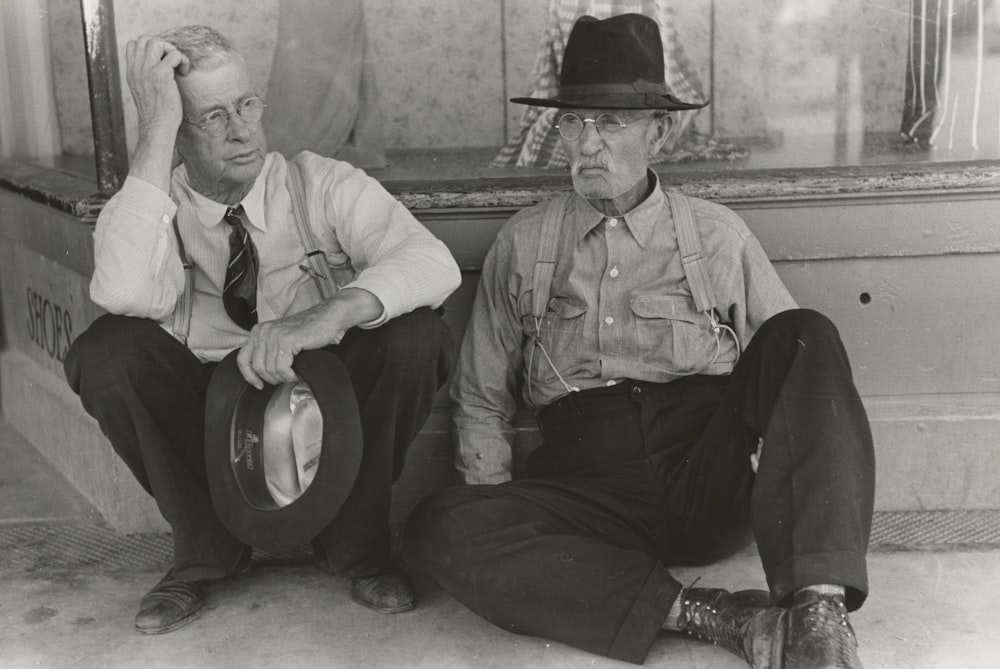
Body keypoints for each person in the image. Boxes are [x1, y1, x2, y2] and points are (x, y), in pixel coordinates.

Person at [404, 13, 873, 669]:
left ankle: (817, 615)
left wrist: (775, 485)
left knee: (806, 336)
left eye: (611, 123)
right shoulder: (524, 243)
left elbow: (796, 381)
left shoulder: (716, 235)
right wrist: (508, 532)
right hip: (591, 499)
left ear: (659, 131)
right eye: (573, 121)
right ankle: (714, 613)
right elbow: (481, 401)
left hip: (706, 475)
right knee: (438, 524)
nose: (587, 144)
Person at [64, 25, 460, 635]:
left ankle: (356, 548)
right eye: (213, 117)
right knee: (107, 353)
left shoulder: (318, 183)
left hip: (325, 397)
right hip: (210, 408)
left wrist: (321, 316)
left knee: (416, 337)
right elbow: (118, 291)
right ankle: (207, 555)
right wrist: (154, 130)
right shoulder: (152, 203)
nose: (243, 129)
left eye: (247, 104)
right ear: (176, 133)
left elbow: (434, 263)